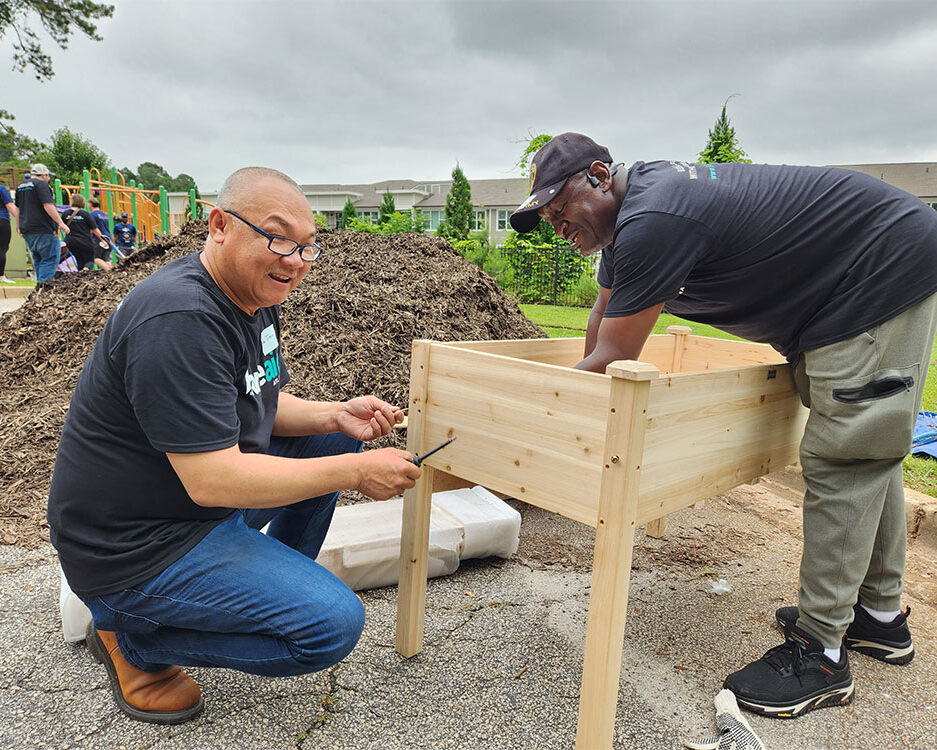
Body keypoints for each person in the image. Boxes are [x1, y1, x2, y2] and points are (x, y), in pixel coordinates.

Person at [510, 133, 937, 720]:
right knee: (867, 447)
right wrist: (579, 398)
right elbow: (602, 331)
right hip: (836, 292)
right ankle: (879, 618)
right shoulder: (628, 228)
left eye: (562, 211)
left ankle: (822, 656)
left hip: (877, 267)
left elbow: (611, 359)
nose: (560, 228)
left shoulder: (657, 217)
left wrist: (531, 419)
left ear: (600, 176)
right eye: (550, 222)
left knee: (846, 456)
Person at [47, 166, 421, 725]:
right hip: (134, 548)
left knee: (324, 439)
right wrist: (356, 472)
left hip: (183, 509)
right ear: (219, 225)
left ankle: (248, 594)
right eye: (276, 237)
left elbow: (261, 402)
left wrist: (335, 414)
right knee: (329, 626)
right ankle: (135, 642)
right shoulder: (180, 319)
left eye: (306, 247)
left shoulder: (250, 299)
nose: (293, 260)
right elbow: (213, 479)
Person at [13, 163, 70, 282]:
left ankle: (39, 289)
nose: (49, 179)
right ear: (44, 174)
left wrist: (19, 227)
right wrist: (60, 222)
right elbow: (48, 205)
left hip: (27, 229)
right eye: (48, 176)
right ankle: (43, 290)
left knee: (38, 259)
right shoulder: (42, 185)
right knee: (50, 259)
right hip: (44, 229)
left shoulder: (20, 187)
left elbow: (17, 208)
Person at [64, 194, 112, 271]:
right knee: (90, 260)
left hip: (71, 241)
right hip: (85, 241)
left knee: (80, 261)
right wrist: (103, 239)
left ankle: (81, 274)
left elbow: (61, 226)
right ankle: (86, 270)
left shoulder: (65, 213)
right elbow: (95, 229)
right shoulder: (86, 214)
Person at [0, 179, 19, 283]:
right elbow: (10, 206)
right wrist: (20, 221)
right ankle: (1, 276)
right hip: (2, 220)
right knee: (2, 248)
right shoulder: (1, 189)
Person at [88, 197, 118, 262]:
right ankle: (111, 271)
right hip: (108, 239)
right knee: (106, 260)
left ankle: (108, 269)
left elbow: (93, 229)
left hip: (99, 240)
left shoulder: (92, 215)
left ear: (90, 204)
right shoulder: (104, 214)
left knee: (96, 259)